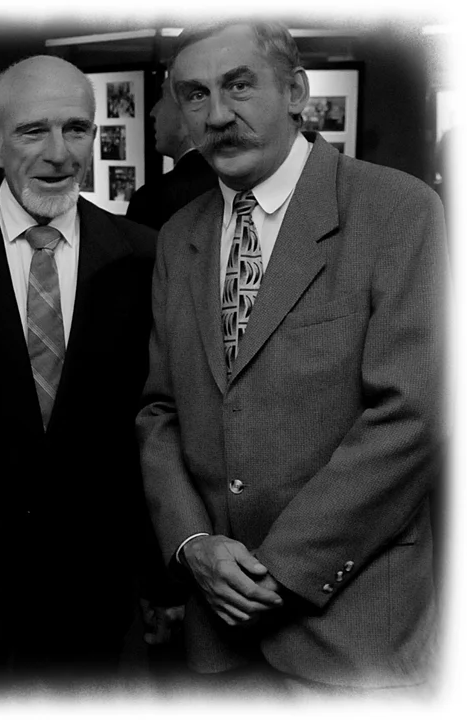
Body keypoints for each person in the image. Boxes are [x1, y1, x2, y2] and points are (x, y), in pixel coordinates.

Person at [136, 21, 446, 696]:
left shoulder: (397, 211)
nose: (218, 115)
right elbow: (159, 410)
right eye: (195, 95)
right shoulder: (179, 237)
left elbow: (412, 416)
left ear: (297, 92)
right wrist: (192, 547)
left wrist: (278, 570)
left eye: (238, 86)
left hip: (353, 635)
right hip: (216, 637)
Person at [0, 55, 168, 690]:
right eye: (33, 131)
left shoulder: (144, 255)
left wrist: (158, 577)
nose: (58, 153)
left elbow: (156, 421)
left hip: (100, 591)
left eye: (76, 129)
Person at [126, 73, 217, 230]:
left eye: (162, 97)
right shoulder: (238, 185)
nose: (153, 111)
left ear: (187, 111)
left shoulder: (152, 199)